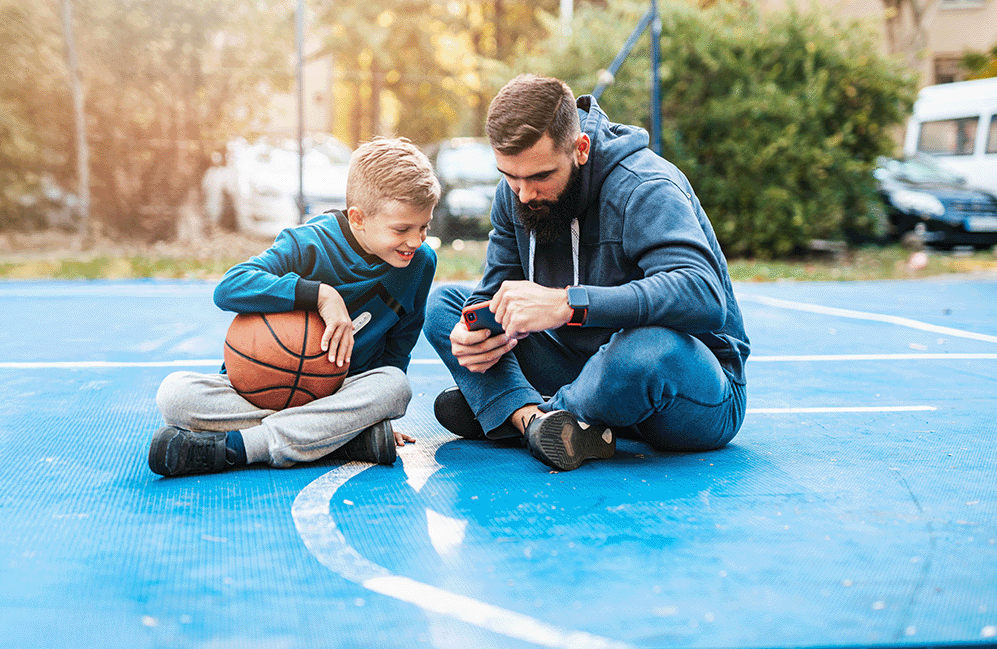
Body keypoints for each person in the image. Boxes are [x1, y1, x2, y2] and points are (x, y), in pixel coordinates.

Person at [426, 74, 750, 472]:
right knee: (444, 305)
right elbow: (491, 294)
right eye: (511, 176)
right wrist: (476, 336)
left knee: (646, 351)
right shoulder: (515, 194)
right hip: (578, 366)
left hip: (686, 384)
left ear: (581, 149)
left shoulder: (643, 186)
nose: (524, 194)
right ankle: (544, 421)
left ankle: (514, 413)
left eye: (541, 176)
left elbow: (702, 294)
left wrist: (569, 304)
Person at [148, 137, 440, 477]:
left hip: (339, 392)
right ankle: (341, 439)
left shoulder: (420, 263)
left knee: (394, 386)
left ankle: (238, 448)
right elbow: (230, 287)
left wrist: (380, 417)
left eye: (424, 227)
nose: (415, 241)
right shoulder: (307, 243)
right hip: (264, 389)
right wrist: (320, 295)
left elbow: (398, 346)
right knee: (176, 396)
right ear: (358, 218)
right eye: (402, 229)